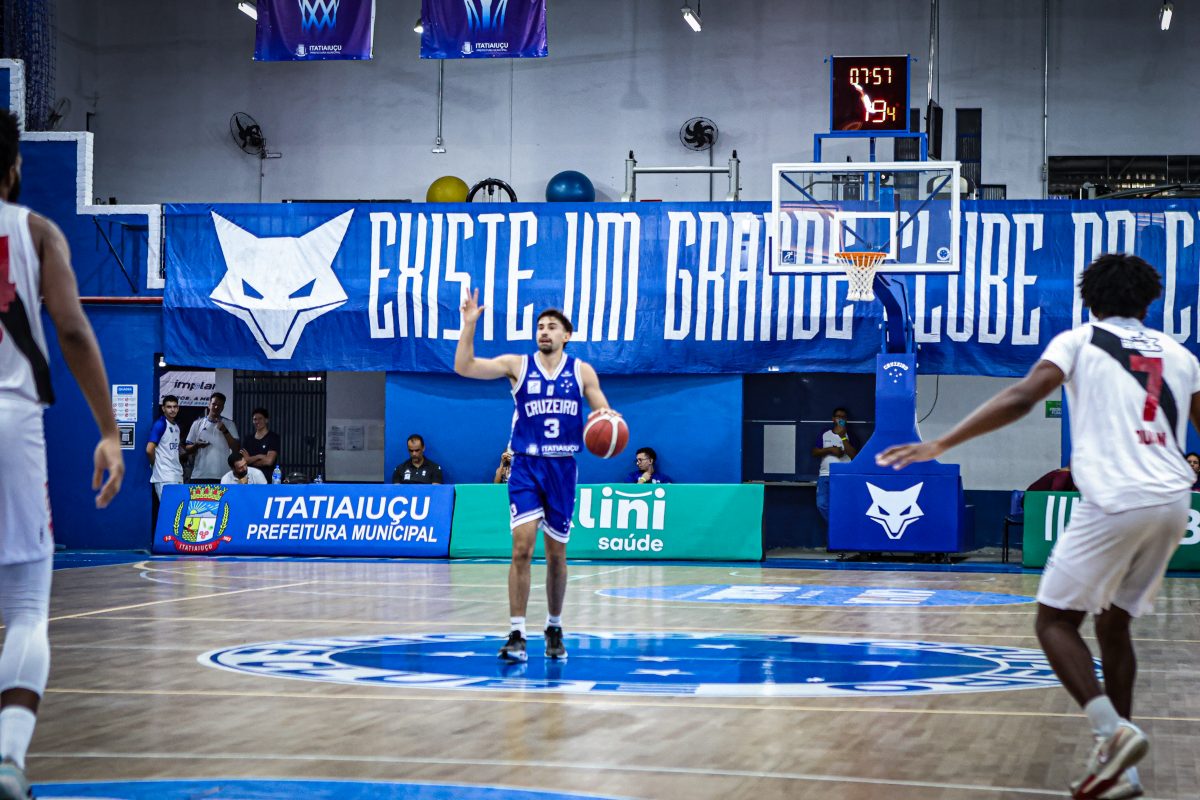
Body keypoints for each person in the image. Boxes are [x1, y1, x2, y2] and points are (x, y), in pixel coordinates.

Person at [877, 254, 1199, 800]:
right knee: (1114, 624)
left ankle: (1111, 731)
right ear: (1150, 301)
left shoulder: (1080, 341)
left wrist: (942, 442)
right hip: (1174, 502)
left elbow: (1023, 397)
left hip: (1117, 497)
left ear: (1088, 300)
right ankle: (1120, 770)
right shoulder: (1180, 355)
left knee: (1053, 622)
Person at [0, 110, 124, 799]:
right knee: (24, 607)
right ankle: (8, 759)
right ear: (13, 168)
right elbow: (71, 331)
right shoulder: (35, 231)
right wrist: (108, 429)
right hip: (10, 417)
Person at [455, 289, 615, 663]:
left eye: (552, 327)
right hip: (526, 465)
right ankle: (517, 633)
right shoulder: (517, 365)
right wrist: (469, 326)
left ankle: (554, 626)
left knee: (557, 555)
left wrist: (609, 424)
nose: (544, 331)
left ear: (566, 335)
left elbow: (604, 414)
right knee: (522, 548)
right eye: (540, 326)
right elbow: (465, 367)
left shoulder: (582, 371)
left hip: (562, 468)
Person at [812, 407, 858, 521]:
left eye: (843, 417)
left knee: (842, 505)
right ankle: (837, 525)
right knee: (822, 504)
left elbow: (854, 456)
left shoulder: (851, 435)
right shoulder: (825, 433)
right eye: (838, 416)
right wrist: (830, 450)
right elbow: (815, 452)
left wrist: (843, 437)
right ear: (833, 419)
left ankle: (839, 526)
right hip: (825, 475)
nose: (840, 419)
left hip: (844, 475)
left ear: (846, 420)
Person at [183, 392, 239, 483]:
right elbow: (187, 449)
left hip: (223, 476)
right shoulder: (197, 424)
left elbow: (236, 448)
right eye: (214, 404)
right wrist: (196, 445)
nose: (216, 407)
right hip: (200, 475)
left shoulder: (229, 424)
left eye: (220, 405)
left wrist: (225, 431)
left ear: (223, 408)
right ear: (209, 405)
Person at [146, 394, 183, 499]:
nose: (172, 410)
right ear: (163, 408)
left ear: (178, 408)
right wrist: (155, 464)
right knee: (170, 508)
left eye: (175, 407)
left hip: (177, 475)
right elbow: (149, 450)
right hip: (164, 476)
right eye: (169, 407)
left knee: (178, 508)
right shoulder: (160, 424)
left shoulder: (176, 427)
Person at [240, 407, 280, 482]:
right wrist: (259, 456)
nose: (257, 421)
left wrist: (250, 460)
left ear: (266, 420)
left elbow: (269, 461)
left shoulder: (273, 438)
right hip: (249, 480)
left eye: (260, 418)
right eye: (255, 419)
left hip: (267, 480)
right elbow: (243, 462)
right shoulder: (248, 439)